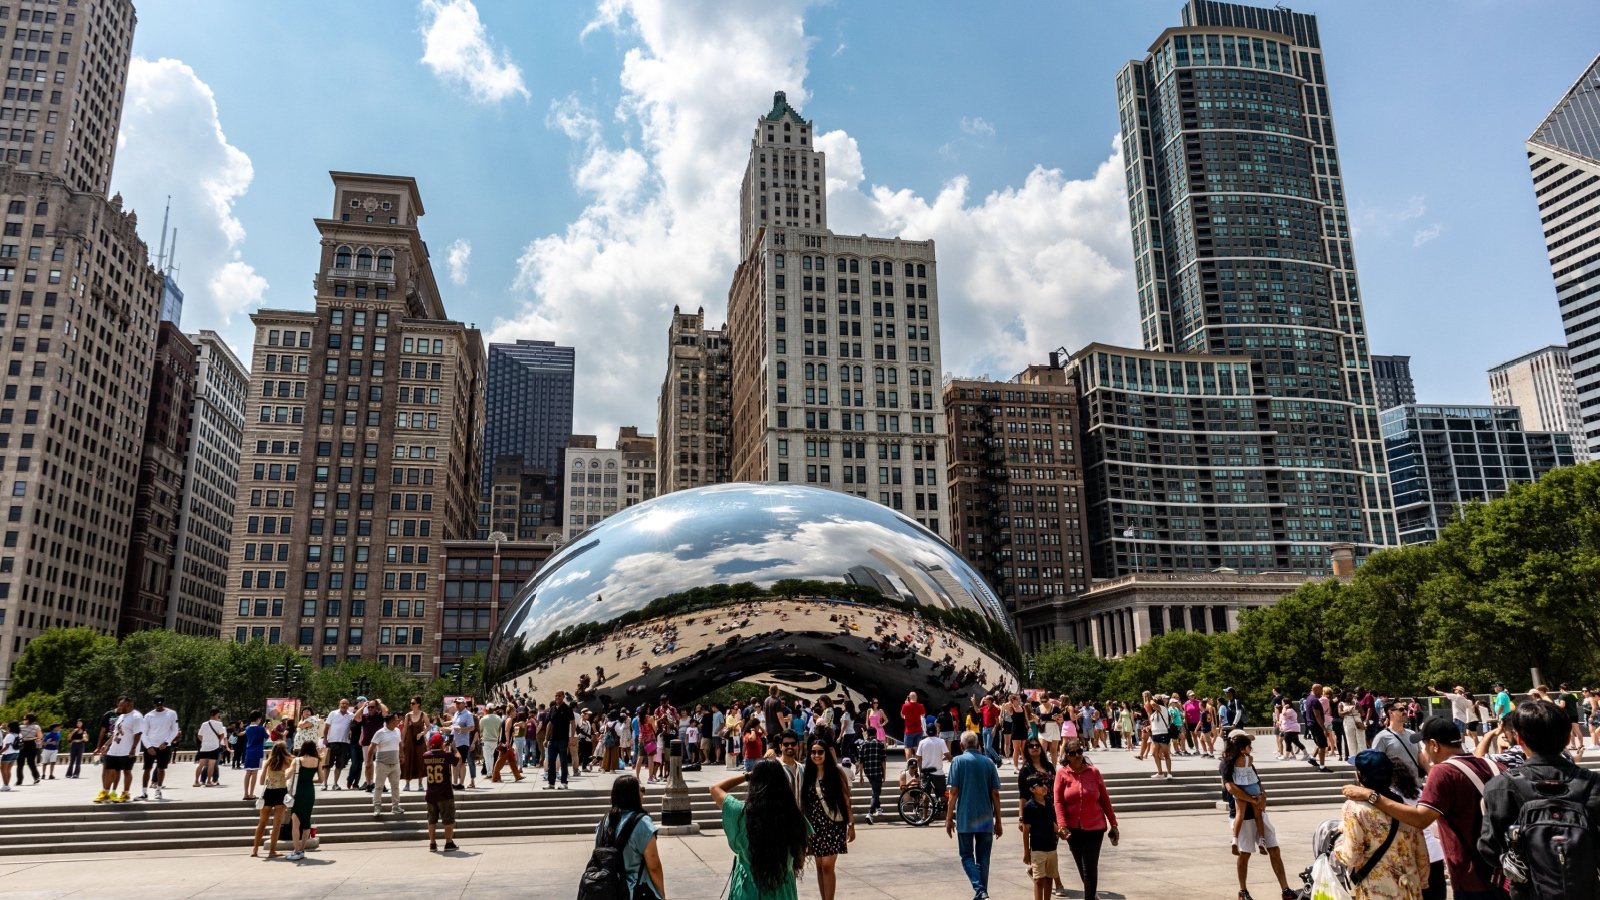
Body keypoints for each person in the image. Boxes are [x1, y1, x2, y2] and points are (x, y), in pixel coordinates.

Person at [1341, 716, 1506, 900]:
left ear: (1434, 745)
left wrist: (1372, 796)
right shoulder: (1492, 765)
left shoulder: (1443, 772)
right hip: (1504, 870)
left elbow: (1420, 819)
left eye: (1424, 746)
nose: (1424, 752)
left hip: (1471, 872)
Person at [1480, 700, 1600, 899]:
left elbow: (1489, 848)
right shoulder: (1593, 783)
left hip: (1528, 892)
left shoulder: (1501, 786)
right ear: (1568, 737)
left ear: (1519, 739)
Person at [1333, 750, 1431, 899]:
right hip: (1409, 888)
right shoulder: (1402, 805)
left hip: (1377, 889)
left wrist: (1337, 846)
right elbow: (1421, 852)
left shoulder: (1354, 808)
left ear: (1359, 775)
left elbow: (1353, 857)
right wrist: (1422, 882)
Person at [711, 761, 809, 900]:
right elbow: (800, 857)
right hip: (783, 890)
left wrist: (747, 776)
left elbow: (715, 788)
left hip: (748, 889)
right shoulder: (795, 817)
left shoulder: (740, 812)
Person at [1219, 731, 1295, 900]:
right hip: (1241, 814)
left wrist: (1263, 797)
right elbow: (1231, 788)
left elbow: (1256, 781)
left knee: (1274, 849)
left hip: (1258, 810)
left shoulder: (1248, 760)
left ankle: (1285, 889)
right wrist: (1253, 801)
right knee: (1245, 853)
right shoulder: (1226, 764)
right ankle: (1243, 891)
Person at [1053, 738, 1118, 900]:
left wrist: (1114, 824)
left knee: (1089, 866)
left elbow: (1104, 799)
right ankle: (1092, 893)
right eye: (1073, 753)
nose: (1077, 756)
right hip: (1072, 829)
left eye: (1080, 752)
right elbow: (1058, 800)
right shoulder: (1062, 773)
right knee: (1082, 866)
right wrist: (1061, 824)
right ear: (1067, 755)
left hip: (1095, 827)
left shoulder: (1094, 772)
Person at [946, 730, 1003, 900]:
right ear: (978, 744)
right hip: (985, 815)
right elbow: (995, 794)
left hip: (965, 815)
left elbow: (953, 792)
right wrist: (998, 821)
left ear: (962, 745)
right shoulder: (988, 762)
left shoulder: (957, 761)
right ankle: (982, 893)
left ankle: (980, 891)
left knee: (966, 856)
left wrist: (949, 818)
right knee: (983, 858)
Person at [594, 774, 665, 897]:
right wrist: (662, 894)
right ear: (634, 795)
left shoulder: (604, 821)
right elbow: (653, 865)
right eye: (641, 789)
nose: (642, 793)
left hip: (606, 889)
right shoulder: (643, 823)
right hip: (633, 890)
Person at [802, 737, 854, 900]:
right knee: (819, 866)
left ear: (826, 753)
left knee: (827, 866)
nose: (816, 755)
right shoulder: (807, 774)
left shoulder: (837, 772)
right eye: (813, 752)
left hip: (833, 825)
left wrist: (851, 824)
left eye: (820, 752)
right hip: (815, 825)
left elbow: (846, 799)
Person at [95, 695, 143, 803]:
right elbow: (115, 733)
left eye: (122, 705)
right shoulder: (121, 716)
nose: (119, 706)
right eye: (119, 704)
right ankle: (105, 793)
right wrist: (106, 744)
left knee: (126, 771)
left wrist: (133, 748)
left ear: (129, 704)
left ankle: (125, 793)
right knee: (110, 770)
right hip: (115, 749)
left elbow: (138, 733)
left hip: (127, 749)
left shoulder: (136, 716)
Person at [1019, 775, 1059, 900]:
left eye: (1044, 784)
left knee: (1049, 878)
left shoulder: (1048, 802)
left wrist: (1061, 831)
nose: (1044, 787)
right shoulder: (1029, 807)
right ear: (1032, 790)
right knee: (1038, 880)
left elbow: (1052, 823)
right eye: (1040, 785)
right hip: (1037, 849)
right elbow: (1026, 831)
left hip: (1051, 847)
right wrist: (1026, 852)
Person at [251, 741, 293, 858]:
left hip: (268, 792)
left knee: (262, 823)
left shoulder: (268, 762)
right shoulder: (288, 761)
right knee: (276, 824)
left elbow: (261, 781)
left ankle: (255, 850)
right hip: (281, 792)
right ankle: (272, 851)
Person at [422, 733, 460, 852]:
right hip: (444, 792)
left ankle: (432, 843)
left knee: (431, 819)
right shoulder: (446, 754)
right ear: (442, 743)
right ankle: (448, 843)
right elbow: (458, 760)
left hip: (431, 792)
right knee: (448, 819)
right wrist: (454, 748)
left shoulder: (425, 755)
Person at [285, 740, 320, 861]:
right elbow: (321, 779)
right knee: (306, 821)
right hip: (310, 792)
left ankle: (296, 850)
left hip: (298, 792)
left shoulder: (297, 760)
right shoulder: (317, 761)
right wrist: (309, 780)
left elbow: (287, 776)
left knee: (295, 822)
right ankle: (302, 849)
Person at [136, 698, 178, 800]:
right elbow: (143, 733)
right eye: (157, 705)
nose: (159, 706)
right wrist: (148, 746)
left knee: (161, 768)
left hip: (164, 746)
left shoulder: (171, 713)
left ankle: (158, 790)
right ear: (154, 704)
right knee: (147, 769)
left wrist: (167, 742)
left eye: (160, 704)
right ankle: (144, 792)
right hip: (151, 745)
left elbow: (174, 730)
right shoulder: (149, 715)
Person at [370, 711, 405, 817]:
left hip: (395, 763)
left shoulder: (397, 731)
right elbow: (372, 747)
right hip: (382, 764)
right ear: (390, 721)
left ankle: (395, 806)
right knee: (379, 786)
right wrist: (368, 761)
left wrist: (402, 755)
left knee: (395, 786)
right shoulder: (380, 732)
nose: (398, 721)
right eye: (396, 719)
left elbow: (399, 744)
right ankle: (377, 807)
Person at [544, 691, 575, 789]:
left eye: (559, 696)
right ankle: (551, 783)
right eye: (556, 695)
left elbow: (573, 723)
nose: (557, 697)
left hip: (563, 739)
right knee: (551, 761)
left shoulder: (567, 709)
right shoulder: (552, 709)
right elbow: (550, 724)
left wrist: (572, 737)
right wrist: (546, 738)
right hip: (552, 740)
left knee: (563, 762)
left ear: (563, 697)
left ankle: (564, 782)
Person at [193, 708, 228, 788]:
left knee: (201, 765)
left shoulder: (204, 724)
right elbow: (222, 735)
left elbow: (199, 735)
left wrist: (204, 741)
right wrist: (217, 741)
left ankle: (196, 781)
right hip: (214, 747)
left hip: (204, 747)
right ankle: (209, 781)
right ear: (216, 714)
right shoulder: (219, 724)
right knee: (211, 765)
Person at [856, 727, 886, 816]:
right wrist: (884, 773)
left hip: (868, 771)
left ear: (868, 734)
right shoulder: (880, 744)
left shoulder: (863, 745)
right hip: (878, 771)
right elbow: (883, 761)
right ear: (876, 734)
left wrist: (861, 775)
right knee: (876, 792)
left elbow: (861, 761)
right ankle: (870, 812)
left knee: (875, 789)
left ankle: (879, 808)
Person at [401, 696, 429, 791]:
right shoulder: (407, 715)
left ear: (418, 704)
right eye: (411, 703)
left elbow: (429, 726)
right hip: (409, 742)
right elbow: (404, 729)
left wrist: (422, 733)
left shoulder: (423, 715)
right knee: (408, 761)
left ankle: (420, 784)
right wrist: (402, 741)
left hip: (419, 742)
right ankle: (407, 783)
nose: (411, 705)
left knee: (420, 761)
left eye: (413, 703)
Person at [240, 711, 267, 801]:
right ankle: (251, 794)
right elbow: (267, 736)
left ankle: (245, 794)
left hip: (248, 752)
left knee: (248, 773)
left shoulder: (247, 728)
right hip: (258, 752)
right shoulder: (261, 729)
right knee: (254, 773)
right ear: (258, 719)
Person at [1146, 694, 1173, 779]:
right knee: (1155, 754)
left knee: (1166, 754)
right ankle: (1160, 773)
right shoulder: (1154, 713)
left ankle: (1169, 773)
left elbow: (1153, 704)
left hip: (1163, 734)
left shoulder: (1163, 708)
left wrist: (1150, 698)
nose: (1152, 706)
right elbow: (1154, 723)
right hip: (1155, 735)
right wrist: (1148, 727)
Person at [14, 714, 41, 786]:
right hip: (32, 745)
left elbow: (17, 736)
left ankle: (19, 780)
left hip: (22, 745)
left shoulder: (20, 727)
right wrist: (33, 738)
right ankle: (36, 777)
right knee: (31, 762)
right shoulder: (36, 727)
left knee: (20, 763)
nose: (23, 720)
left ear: (27, 720)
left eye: (24, 719)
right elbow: (40, 737)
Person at [901, 691, 926, 761]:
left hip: (909, 730)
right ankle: (917, 765)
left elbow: (902, 715)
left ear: (909, 697)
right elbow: (923, 715)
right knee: (917, 748)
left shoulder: (905, 706)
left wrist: (906, 704)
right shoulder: (920, 706)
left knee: (907, 748)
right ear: (916, 697)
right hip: (918, 730)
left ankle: (909, 766)